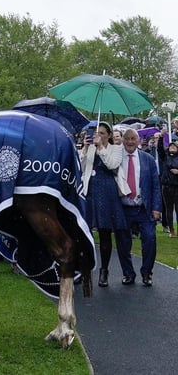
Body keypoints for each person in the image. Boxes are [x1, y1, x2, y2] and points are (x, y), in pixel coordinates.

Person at [80, 121, 125, 288]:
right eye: (96, 132)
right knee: (85, 232)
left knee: (105, 232)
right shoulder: (90, 147)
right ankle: (84, 268)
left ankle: (104, 270)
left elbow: (112, 164)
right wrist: (85, 149)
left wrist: (101, 148)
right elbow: (81, 167)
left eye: (102, 133)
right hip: (90, 190)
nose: (98, 135)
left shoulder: (116, 149)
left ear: (109, 135)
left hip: (107, 192)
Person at [116, 128, 162, 286]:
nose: (129, 142)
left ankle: (147, 273)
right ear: (123, 140)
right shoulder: (116, 159)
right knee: (122, 243)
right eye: (127, 138)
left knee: (150, 239)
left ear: (139, 140)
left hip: (144, 208)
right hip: (123, 208)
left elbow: (156, 185)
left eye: (132, 139)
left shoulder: (148, 159)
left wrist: (157, 208)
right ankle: (128, 274)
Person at [159, 138, 178, 238]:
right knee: (169, 209)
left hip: (177, 186)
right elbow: (160, 149)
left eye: (174, 146)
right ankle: (171, 230)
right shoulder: (165, 157)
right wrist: (161, 138)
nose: (172, 147)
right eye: (171, 146)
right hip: (167, 186)